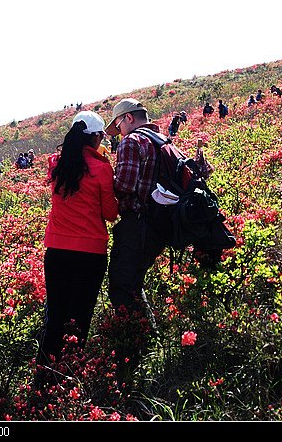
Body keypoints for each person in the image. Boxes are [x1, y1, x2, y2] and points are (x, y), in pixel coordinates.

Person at [103, 98, 213, 379]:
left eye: (118, 125)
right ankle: (150, 338)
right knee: (133, 282)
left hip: (138, 223)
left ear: (128, 119)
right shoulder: (164, 140)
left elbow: (124, 185)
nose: (119, 132)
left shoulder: (131, 142)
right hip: (160, 226)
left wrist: (102, 181)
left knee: (121, 284)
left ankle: (138, 348)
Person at [35, 111, 118, 371]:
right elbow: (110, 214)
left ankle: (44, 374)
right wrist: (101, 157)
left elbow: (65, 159)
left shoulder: (56, 164)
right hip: (90, 253)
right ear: (95, 138)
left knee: (55, 315)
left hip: (57, 250)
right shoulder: (102, 169)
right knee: (79, 316)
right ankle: (70, 373)